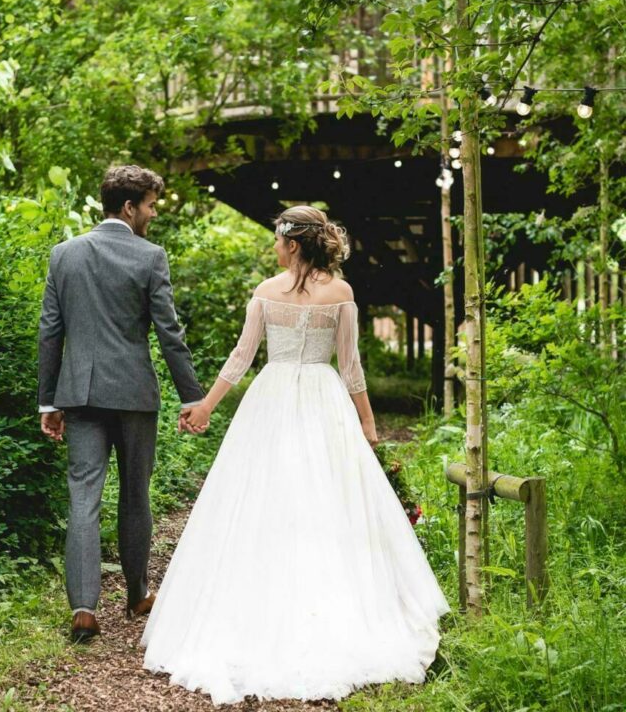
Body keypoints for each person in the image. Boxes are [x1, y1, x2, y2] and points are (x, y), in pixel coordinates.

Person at [141, 205, 450, 704]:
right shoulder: (342, 293)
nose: (275, 246)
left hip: (274, 395)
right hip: (324, 399)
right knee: (327, 498)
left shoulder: (266, 291)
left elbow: (241, 359)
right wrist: (366, 424)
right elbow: (350, 366)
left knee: (267, 497)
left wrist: (205, 407)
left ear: (293, 244)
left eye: (279, 238)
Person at [37, 165, 208, 644]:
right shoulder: (150, 256)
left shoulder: (64, 254)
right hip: (133, 395)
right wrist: (192, 395)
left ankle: (85, 609)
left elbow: (50, 332)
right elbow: (169, 334)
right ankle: (136, 595)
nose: (153, 214)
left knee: (83, 498)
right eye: (151, 205)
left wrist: (47, 401)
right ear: (130, 207)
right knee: (135, 494)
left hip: (80, 395)